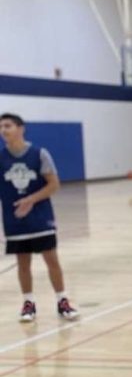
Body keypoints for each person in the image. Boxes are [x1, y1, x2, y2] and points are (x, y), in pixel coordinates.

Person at [1, 112, 79, 323]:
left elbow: (54, 184)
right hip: (14, 219)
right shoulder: (1, 158)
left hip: (40, 217)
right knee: (22, 263)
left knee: (51, 259)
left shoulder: (39, 154)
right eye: (1, 127)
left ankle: (62, 300)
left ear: (20, 128)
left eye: (7, 126)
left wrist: (31, 200)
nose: (3, 131)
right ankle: (28, 303)